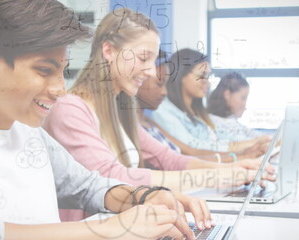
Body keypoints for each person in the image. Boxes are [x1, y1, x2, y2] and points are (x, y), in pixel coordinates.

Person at [0, 1, 205, 239]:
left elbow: (89, 187)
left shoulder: (31, 135)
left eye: (61, 71)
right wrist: (106, 228)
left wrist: (141, 196)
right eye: (44, 70)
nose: (60, 89)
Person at [43, 7, 275, 222]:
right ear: (109, 51)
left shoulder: (119, 112)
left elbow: (169, 159)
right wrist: (223, 176)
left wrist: (237, 168)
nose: (151, 70)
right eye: (144, 58)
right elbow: (115, 177)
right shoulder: (69, 110)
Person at [137, 54, 264, 162]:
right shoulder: (162, 113)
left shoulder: (195, 112)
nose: (207, 83)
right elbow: (189, 152)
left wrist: (246, 152)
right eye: (202, 75)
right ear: (182, 76)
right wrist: (243, 154)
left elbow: (192, 151)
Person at [207, 72, 265, 141]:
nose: (244, 104)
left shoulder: (233, 123)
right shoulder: (210, 124)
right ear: (227, 94)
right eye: (243, 98)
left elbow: (260, 137)